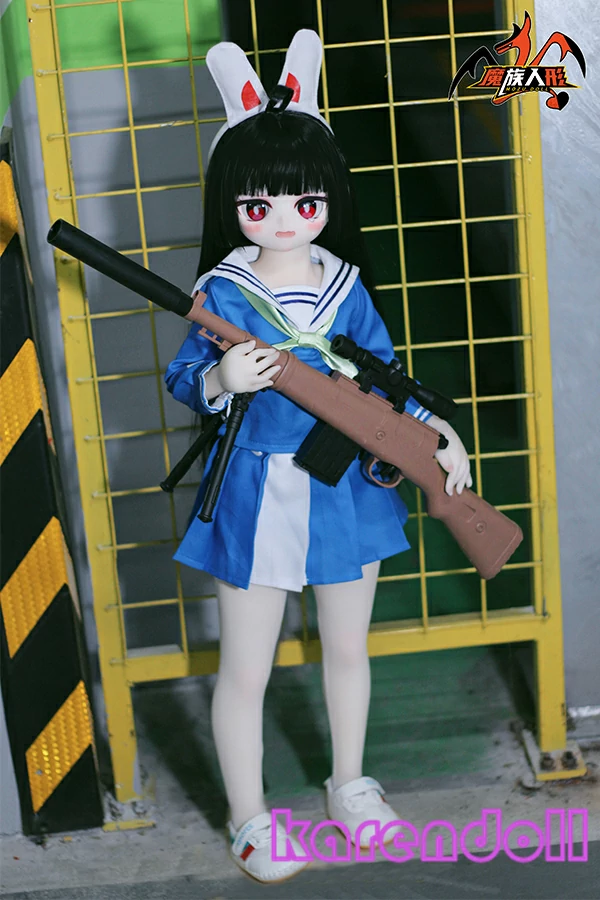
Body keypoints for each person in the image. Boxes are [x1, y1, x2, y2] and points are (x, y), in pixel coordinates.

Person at [165, 30, 472, 884]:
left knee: (347, 651)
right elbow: (185, 376)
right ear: (230, 202)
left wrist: (436, 434)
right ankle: (249, 816)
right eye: (256, 203)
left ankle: (351, 786)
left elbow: (386, 375)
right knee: (246, 668)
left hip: (345, 489)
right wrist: (221, 377)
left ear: (330, 196)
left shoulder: (345, 283)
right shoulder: (224, 291)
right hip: (253, 489)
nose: (282, 218)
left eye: (303, 200)